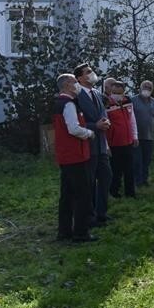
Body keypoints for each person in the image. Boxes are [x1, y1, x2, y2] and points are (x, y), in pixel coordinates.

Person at [53, 74, 97, 243]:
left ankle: (64, 231)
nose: (77, 85)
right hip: (76, 155)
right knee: (82, 195)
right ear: (66, 86)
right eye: (74, 82)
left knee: (67, 195)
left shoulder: (59, 103)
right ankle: (80, 232)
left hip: (66, 156)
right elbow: (73, 128)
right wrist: (89, 133)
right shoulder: (68, 104)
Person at [74, 62, 112, 227]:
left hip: (101, 145)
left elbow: (103, 113)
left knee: (106, 177)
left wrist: (105, 121)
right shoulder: (76, 95)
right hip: (87, 145)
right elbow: (76, 122)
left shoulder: (96, 93)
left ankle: (101, 213)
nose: (92, 74)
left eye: (91, 71)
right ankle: (89, 217)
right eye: (88, 72)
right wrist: (94, 126)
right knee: (89, 183)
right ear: (80, 77)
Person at [104, 81, 138, 198]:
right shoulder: (107, 104)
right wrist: (106, 146)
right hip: (114, 143)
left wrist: (135, 136)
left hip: (128, 141)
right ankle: (114, 192)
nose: (116, 95)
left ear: (123, 92)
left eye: (119, 93)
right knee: (116, 170)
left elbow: (132, 120)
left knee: (129, 169)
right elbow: (104, 126)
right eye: (114, 92)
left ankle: (130, 193)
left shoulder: (128, 102)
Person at [131, 80, 154, 187]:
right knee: (137, 161)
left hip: (149, 137)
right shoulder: (132, 100)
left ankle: (144, 180)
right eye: (145, 87)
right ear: (140, 88)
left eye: (149, 88)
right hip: (136, 137)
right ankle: (137, 181)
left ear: (152, 90)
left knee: (147, 160)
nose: (147, 89)